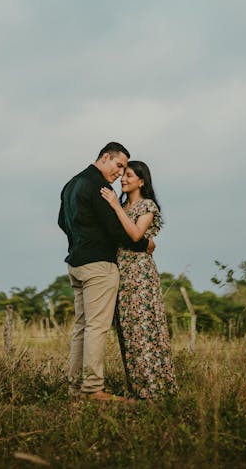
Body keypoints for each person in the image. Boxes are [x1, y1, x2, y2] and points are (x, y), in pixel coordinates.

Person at [58, 142, 155, 401]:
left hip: (76, 263)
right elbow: (116, 230)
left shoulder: (71, 184)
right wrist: (145, 243)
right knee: (97, 328)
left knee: (81, 327)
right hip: (98, 265)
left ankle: (75, 387)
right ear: (104, 157)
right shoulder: (99, 186)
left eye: (124, 168)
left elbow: (61, 221)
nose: (120, 173)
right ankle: (92, 389)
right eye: (118, 165)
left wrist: (81, 237)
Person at [100, 160, 177, 400]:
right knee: (129, 333)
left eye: (129, 175)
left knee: (146, 330)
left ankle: (155, 390)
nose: (123, 179)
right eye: (122, 175)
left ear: (141, 181)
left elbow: (135, 235)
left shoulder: (147, 205)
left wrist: (115, 206)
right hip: (121, 273)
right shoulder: (122, 205)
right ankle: (139, 388)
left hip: (140, 275)